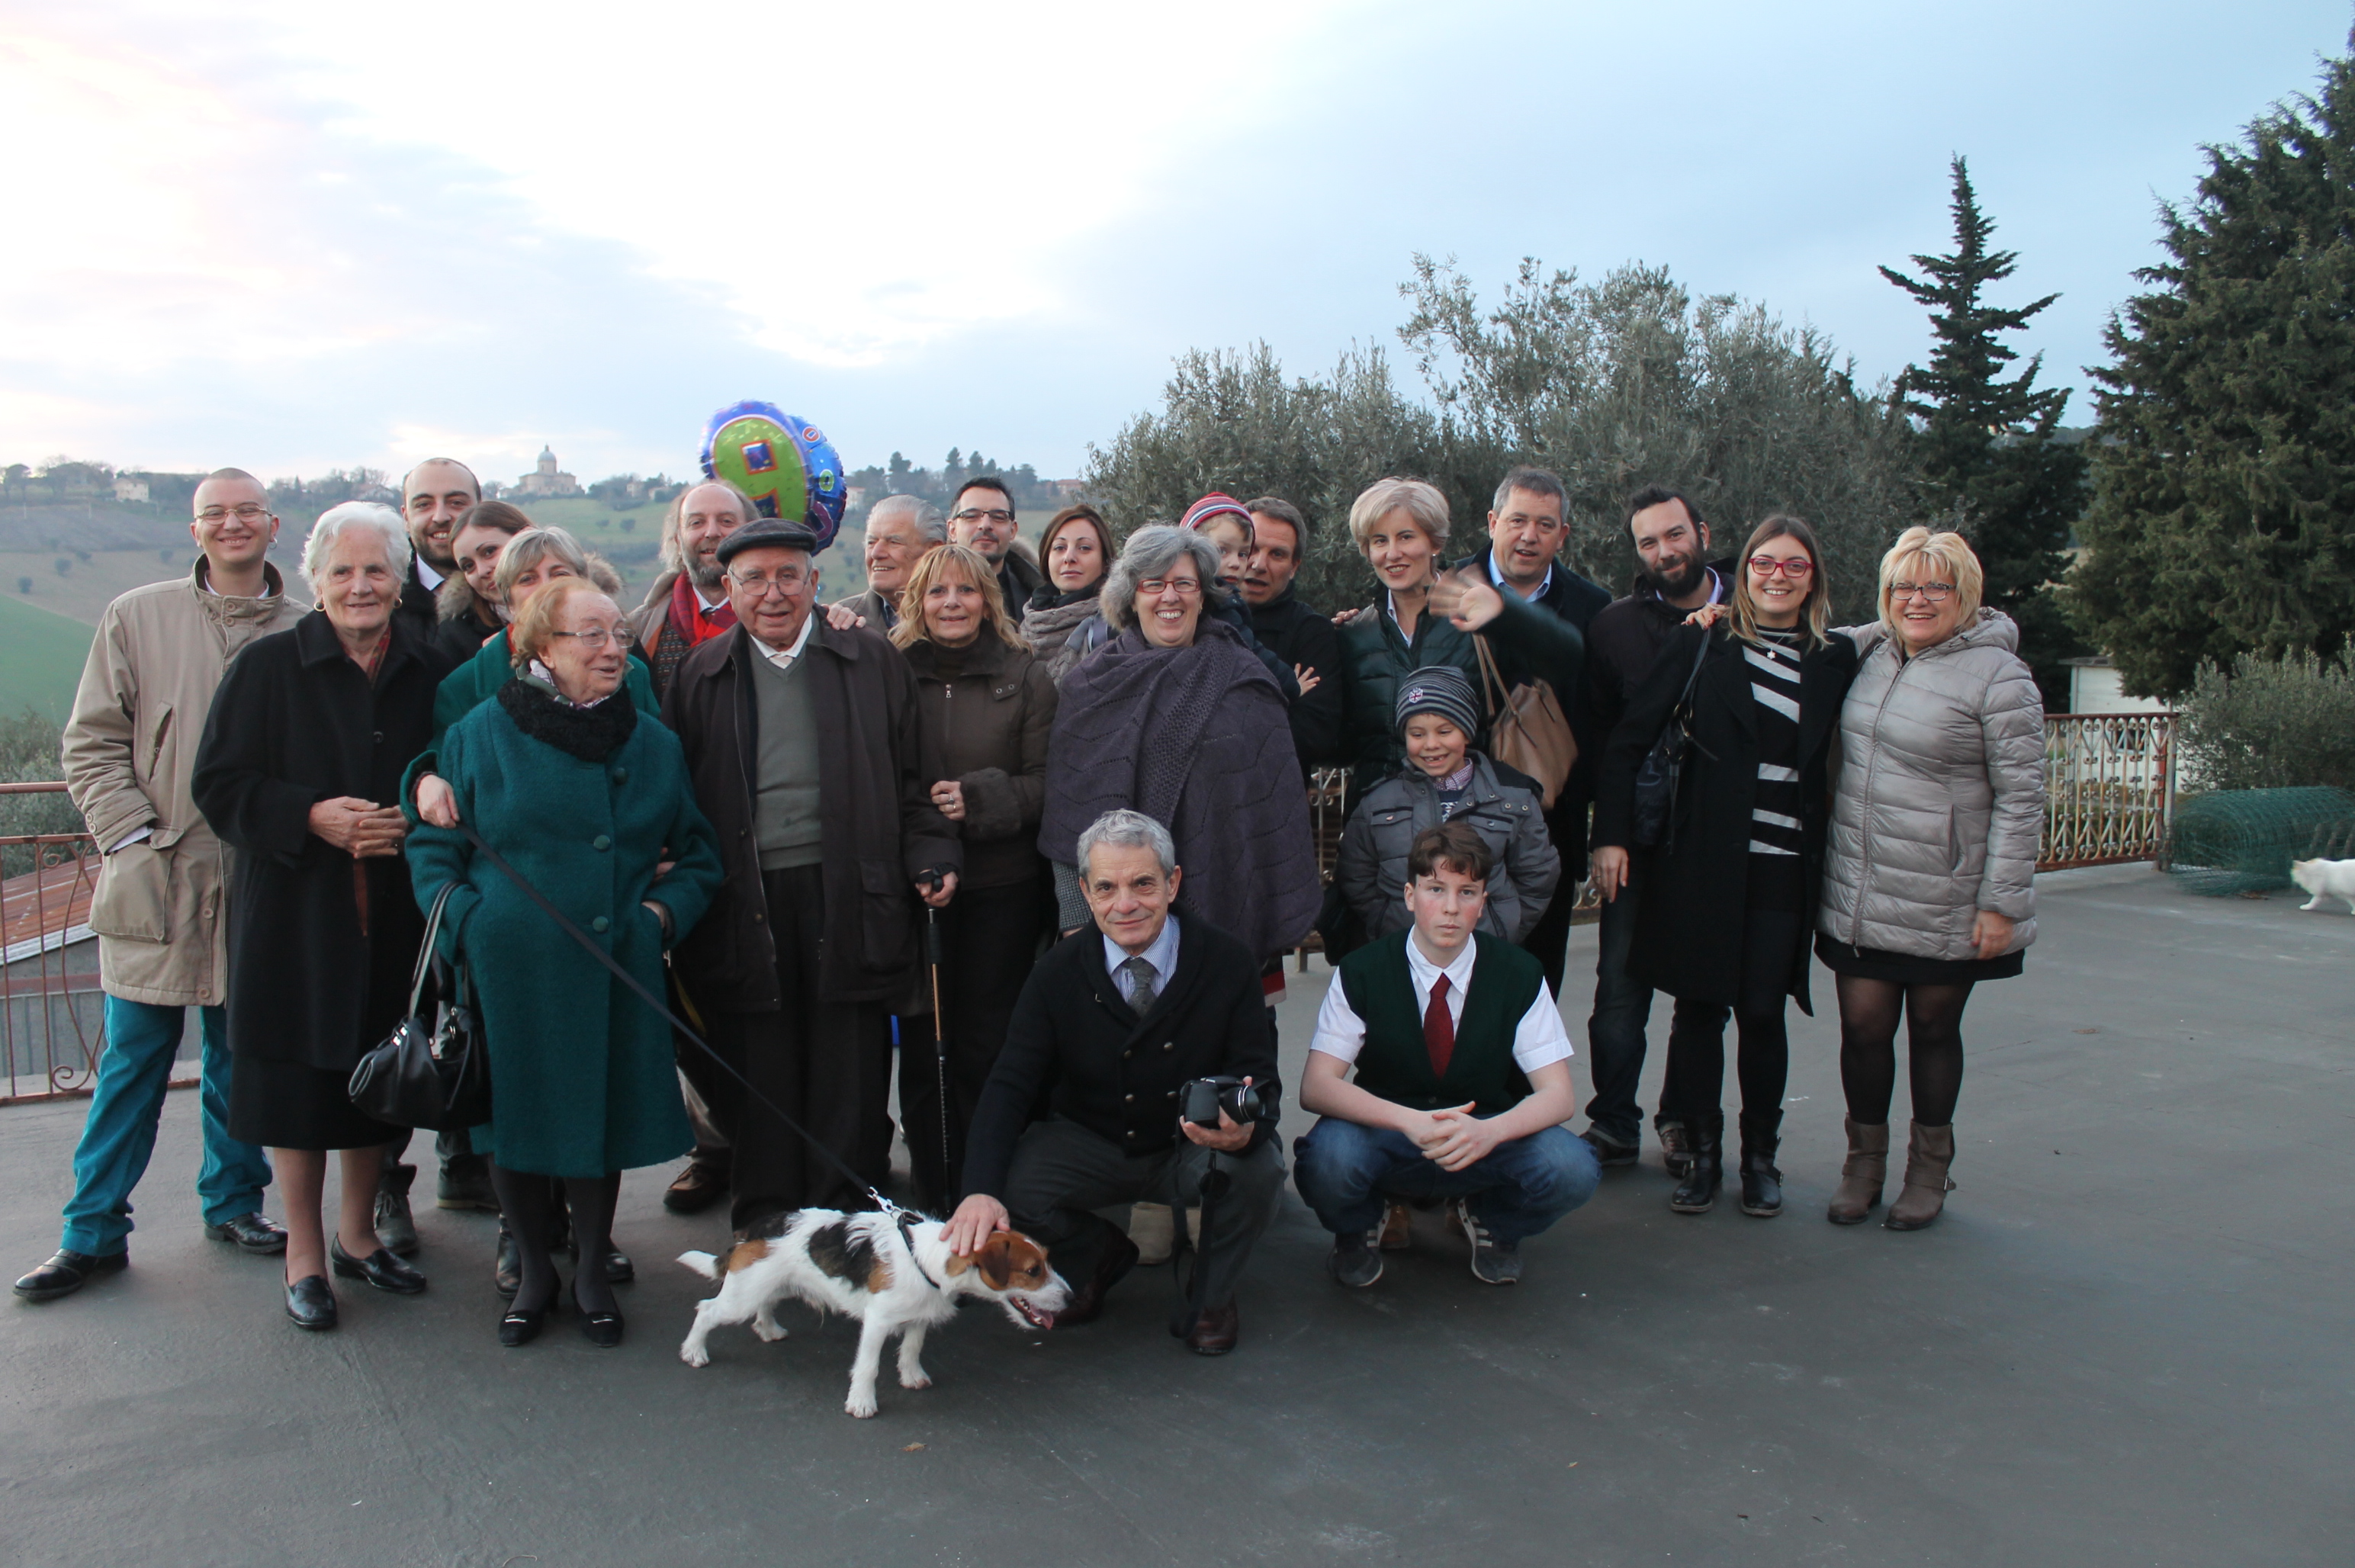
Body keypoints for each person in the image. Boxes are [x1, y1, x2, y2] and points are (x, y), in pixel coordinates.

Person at [12, 469, 307, 1306]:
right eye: (215, 512)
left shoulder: (306, 627)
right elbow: (91, 741)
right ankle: (90, 1232)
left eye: (247, 511)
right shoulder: (136, 615)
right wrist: (131, 836)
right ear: (195, 530)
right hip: (159, 877)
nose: (231, 523)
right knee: (132, 1062)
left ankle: (235, 1204)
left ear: (274, 525)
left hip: (259, 879)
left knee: (240, 1060)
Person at [405, 579, 724, 1346]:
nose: (614, 649)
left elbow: (699, 857)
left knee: (595, 1116)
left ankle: (588, 1270)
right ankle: (534, 1272)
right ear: (541, 647)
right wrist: (471, 924)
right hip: (509, 966)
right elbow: (433, 850)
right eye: (592, 635)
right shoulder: (479, 734)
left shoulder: (652, 743)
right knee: (511, 1119)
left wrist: (655, 919)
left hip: (610, 962)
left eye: (619, 634)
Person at [190, 502, 448, 1330]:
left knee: (380, 1076)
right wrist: (311, 816)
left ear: (400, 579)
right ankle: (304, 1254)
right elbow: (219, 784)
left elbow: (453, 768)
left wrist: (417, 813)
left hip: (396, 914)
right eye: (342, 571)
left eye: (376, 570)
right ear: (317, 580)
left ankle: (358, 1237)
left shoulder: (431, 665)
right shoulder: (268, 667)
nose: (360, 585)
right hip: (295, 919)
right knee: (294, 1089)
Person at [661, 522, 960, 1231]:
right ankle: (766, 1220)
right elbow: (675, 794)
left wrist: (933, 853)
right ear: (729, 589)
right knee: (759, 1059)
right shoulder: (701, 675)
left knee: (847, 1061)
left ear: (815, 583)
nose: (773, 594)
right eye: (754, 579)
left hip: (852, 889)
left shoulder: (869, 659)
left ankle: (847, 1217)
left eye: (789, 576)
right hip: (744, 896)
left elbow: (915, 775)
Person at [394, 525, 653, 1275]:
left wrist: (654, 905)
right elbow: (447, 775)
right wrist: (469, 917)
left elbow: (650, 770)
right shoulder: (468, 682)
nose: (546, 586)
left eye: (560, 572)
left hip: (601, 918)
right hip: (513, 922)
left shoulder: (624, 670)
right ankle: (525, 1235)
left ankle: (591, 1235)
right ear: (503, 600)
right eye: (527, 578)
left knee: (593, 1090)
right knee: (515, 1091)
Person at [1592, 516, 1859, 1219]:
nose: (1777, 577)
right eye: (1764, 563)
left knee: (1764, 1011)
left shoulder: (1836, 658)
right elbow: (1629, 741)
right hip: (1701, 859)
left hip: (1784, 865)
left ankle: (1761, 1160)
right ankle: (1703, 1157)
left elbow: (1905, 634)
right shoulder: (1702, 642)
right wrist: (1611, 836)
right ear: (1746, 573)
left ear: (1814, 578)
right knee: (1701, 1008)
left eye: (1794, 566)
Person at [944, 811, 1285, 1356]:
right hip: (1092, 1140)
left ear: (1173, 883)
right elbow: (1009, 1084)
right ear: (1084, 892)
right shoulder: (1055, 972)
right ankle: (1097, 1253)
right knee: (1008, 1187)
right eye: (1106, 888)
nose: (1124, 904)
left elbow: (1261, 1078)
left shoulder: (1228, 960)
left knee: (1258, 1169)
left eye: (1143, 884)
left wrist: (1246, 1130)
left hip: (1193, 1145)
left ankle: (1212, 1292)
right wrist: (978, 1190)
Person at [1816, 527, 2042, 1232]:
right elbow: (1790, 634)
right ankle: (1863, 1166)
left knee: (1933, 1030)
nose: (1917, 600)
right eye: (1903, 587)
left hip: (1948, 892)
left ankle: (1928, 1172)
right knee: (1862, 1029)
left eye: (1935, 586)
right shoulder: (1870, 650)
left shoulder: (2001, 677)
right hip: (1861, 886)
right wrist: (1710, 615)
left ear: (1964, 594)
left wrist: (2002, 902)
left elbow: (2022, 797)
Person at [1296, 822, 1599, 1287]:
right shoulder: (1363, 970)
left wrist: (1490, 1131)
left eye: (1467, 892)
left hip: (1482, 1133)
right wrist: (1409, 1121)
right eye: (1436, 889)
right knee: (1328, 1159)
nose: (1452, 908)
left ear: (1484, 901)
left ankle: (1493, 1221)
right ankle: (1358, 1227)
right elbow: (1317, 1086)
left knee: (1572, 1167)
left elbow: (1558, 1096)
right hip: (1389, 1131)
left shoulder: (1518, 973)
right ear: (1410, 895)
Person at [1037, 525, 1322, 967]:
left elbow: (1270, 806)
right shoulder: (1090, 686)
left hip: (1231, 915)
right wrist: (1077, 921)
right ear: (1131, 597)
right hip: (1116, 925)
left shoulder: (1245, 679)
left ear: (1203, 596)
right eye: (1153, 584)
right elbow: (1069, 813)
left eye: (1184, 584)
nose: (1170, 597)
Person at [888, 545, 1058, 1210]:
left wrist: (979, 798)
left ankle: (987, 1188)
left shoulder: (1027, 676)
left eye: (966, 590)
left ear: (988, 600)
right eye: (937, 592)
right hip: (919, 887)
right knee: (924, 1044)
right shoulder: (891, 673)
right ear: (917, 603)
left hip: (1001, 890)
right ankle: (933, 1194)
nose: (952, 603)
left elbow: (1048, 783)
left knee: (989, 1045)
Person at [1577, 485, 1733, 1174]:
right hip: (1636, 840)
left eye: (1674, 535)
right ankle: (1614, 1121)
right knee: (1619, 991)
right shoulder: (1614, 627)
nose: (1664, 551)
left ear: (1702, 532)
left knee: (1703, 997)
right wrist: (1607, 835)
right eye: (1648, 542)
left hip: (1719, 838)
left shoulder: (1753, 612)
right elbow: (1604, 741)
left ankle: (1682, 1120)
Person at [1454, 468, 1611, 996]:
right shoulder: (1449, 588)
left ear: (1562, 535)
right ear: (1493, 522)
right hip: (1459, 815)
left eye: (1545, 525)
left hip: (1549, 823)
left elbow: (1599, 713)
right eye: (1517, 521)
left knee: (1536, 983)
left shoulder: (1592, 607)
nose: (1529, 536)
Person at [1335, 477, 1584, 806]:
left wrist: (1505, 612)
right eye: (1380, 541)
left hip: (1471, 819)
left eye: (1406, 537)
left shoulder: (1478, 614)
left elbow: (1568, 657)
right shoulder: (1354, 634)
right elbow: (1340, 745)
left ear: (1434, 543)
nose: (1393, 553)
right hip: (1379, 821)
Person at [1335, 667, 1559, 946]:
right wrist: (1384, 920)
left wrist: (1504, 927)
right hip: (1402, 949)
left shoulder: (1512, 801)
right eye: (1417, 734)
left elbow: (1538, 875)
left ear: (1466, 733)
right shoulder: (1378, 802)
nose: (1431, 744)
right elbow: (1356, 874)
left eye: (1444, 731)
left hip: (1484, 949)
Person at [624, 479, 757, 695]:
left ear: (751, 534)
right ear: (678, 540)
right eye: (696, 523)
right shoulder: (638, 629)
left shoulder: (779, 618)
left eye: (726, 521)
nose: (712, 532)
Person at [1240, 496, 1344, 769]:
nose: (1259, 564)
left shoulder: (1311, 633)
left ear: (1294, 567)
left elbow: (1315, 736)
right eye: (1251, 549)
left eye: (1277, 554)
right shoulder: (1193, 620)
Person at [432, 499, 533, 664]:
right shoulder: (455, 636)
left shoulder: (580, 603)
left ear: (526, 538)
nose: (482, 571)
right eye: (468, 566)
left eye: (489, 551)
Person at [1022, 503, 1113, 683]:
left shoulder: (1115, 629)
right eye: (1059, 548)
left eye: (1084, 548)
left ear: (1105, 562)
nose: (1069, 557)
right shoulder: (1026, 625)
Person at [827, 494, 943, 631]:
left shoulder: (959, 617)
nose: (876, 553)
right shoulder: (839, 624)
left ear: (933, 550)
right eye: (871, 542)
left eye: (894, 542)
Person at [395, 458, 479, 637]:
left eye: (456, 503)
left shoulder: (518, 596)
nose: (440, 517)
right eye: (424, 505)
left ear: (481, 511)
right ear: (406, 518)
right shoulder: (382, 602)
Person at [946, 476, 1043, 623]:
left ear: (1013, 531)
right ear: (952, 530)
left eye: (998, 517)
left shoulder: (1042, 599)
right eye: (971, 516)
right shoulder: (925, 594)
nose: (985, 525)